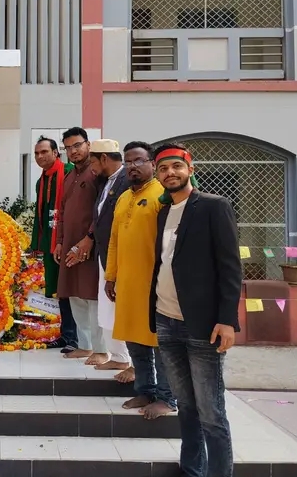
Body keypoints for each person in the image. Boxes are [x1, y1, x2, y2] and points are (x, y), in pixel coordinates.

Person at [150, 143, 242, 477]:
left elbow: (230, 268)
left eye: (176, 166)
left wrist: (227, 320)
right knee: (186, 407)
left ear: (191, 169)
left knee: (211, 412)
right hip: (166, 320)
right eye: (163, 169)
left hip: (202, 325)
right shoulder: (164, 212)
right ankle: (192, 469)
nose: (170, 173)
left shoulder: (214, 207)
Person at [104, 141, 177, 419]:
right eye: (128, 162)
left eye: (138, 161)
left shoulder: (162, 196)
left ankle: (167, 398)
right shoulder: (124, 197)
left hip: (156, 284)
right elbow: (114, 240)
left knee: (159, 342)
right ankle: (145, 390)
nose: (132, 166)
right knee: (135, 340)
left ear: (152, 164)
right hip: (127, 283)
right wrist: (111, 276)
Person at [55, 127, 105, 364]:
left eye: (77, 145)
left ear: (88, 144)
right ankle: (84, 346)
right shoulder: (69, 176)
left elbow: (102, 211)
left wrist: (89, 239)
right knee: (74, 295)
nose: (73, 151)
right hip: (69, 246)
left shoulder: (97, 174)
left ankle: (101, 350)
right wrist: (60, 242)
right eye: (68, 148)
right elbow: (62, 213)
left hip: (90, 246)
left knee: (92, 295)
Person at [29, 136, 78, 352]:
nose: (40, 157)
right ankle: (67, 336)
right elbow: (40, 215)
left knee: (72, 289)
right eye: (37, 153)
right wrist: (37, 243)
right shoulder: (42, 180)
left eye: (44, 152)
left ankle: (78, 340)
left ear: (56, 153)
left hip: (69, 240)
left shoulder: (69, 172)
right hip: (52, 240)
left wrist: (64, 240)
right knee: (60, 289)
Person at [86, 139, 131, 372]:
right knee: (107, 306)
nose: (91, 168)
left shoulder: (126, 181)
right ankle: (119, 356)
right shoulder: (107, 181)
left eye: (93, 162)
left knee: (118, 306)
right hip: (106, 254)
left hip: (122, 257)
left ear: (104, 158)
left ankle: (127, 358)